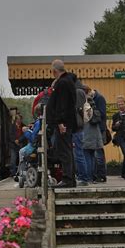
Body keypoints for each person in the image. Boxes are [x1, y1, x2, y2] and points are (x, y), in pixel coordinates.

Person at [46, 59, 78, 188]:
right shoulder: (69, 81)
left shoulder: (62, 83)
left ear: (54, 71)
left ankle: (67, 179)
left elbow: (62, 105)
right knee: (67, 150)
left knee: (64, 151)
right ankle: (70, 178)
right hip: (67, 122)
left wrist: (60, 122)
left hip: (63, 124)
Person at [82, 89, 103, 182]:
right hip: (95, 132)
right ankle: (93, 176)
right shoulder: (93, 102)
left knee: (86, 155)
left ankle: (88, 177)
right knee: (92, 156)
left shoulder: (84, 103)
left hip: (87, 131)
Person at [92, 87, 107, 182]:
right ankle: (98, 174)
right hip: (97, 129)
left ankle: (101, 174)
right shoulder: (96, 98)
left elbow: (102, 113)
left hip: (99, 129)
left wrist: (92, 111)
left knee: (98, 152)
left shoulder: (99, 98)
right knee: (97, 152)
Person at [9, 113, 24, 177]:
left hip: (21, 145)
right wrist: (15, 140)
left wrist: (19, 140)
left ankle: (21, 172)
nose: (19, 121)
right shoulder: (12, 127)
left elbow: (24, 135)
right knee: (13, 160)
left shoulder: (23, 126)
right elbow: (10, 135)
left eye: (20, 119)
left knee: (22, 160)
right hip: (13, 146)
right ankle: (13, 173)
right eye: (18, 119)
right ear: (16, 120)